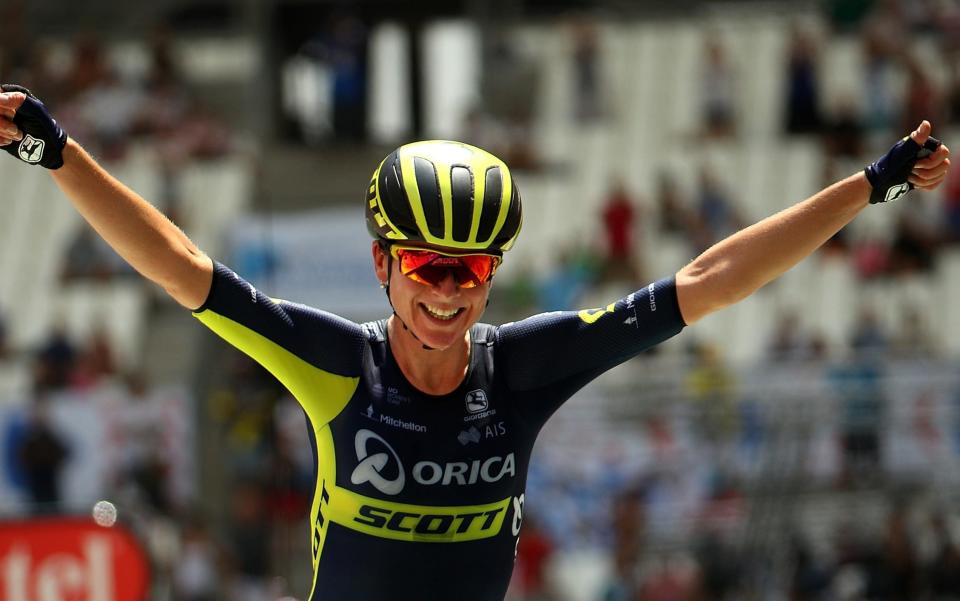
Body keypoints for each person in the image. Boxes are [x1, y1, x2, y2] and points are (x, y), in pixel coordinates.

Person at [0, 83, 950, 601]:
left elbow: (712, 278)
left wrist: (871, 186)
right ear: (384, 267)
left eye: (473, 270)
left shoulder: (526, 367)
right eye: (428, 267)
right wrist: (57, 154)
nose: (451, 293)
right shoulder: (337, 364)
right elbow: (178, 265)